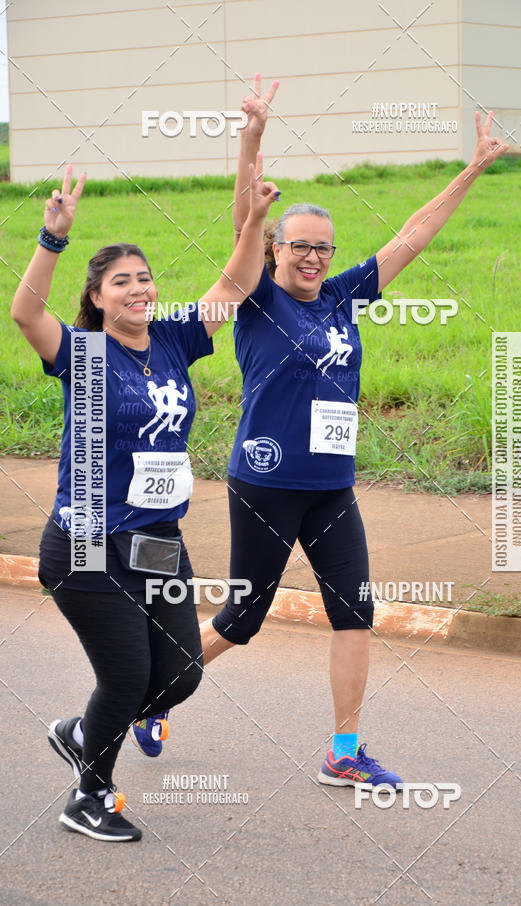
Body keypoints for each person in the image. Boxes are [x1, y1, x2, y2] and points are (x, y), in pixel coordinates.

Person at [133, 81, 508, 786]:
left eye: (324, 249)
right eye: (300, 246)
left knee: (354, 614)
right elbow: (246, 219)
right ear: (276, 250)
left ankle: (343, 753)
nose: (313, 258)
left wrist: (475, 166)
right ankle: (152, 696)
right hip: (266, 484)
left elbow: (413, 235)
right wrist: (251, 137)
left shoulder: (342, 296)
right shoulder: (256, 297)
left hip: (333, 487)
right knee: (242, 619)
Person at [11, 159, 279, 841]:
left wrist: (252, 217)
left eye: (144, 277)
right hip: (86, 542)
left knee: (180, 674)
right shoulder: (83, 353)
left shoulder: (173, 338)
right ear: (98, 298)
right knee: (127, 677)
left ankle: (80, 731)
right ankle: (89, 795)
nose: (138, 289)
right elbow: (24, 312)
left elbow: (238, 282)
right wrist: (52, 238)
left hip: (158, 539)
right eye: (121, 282)